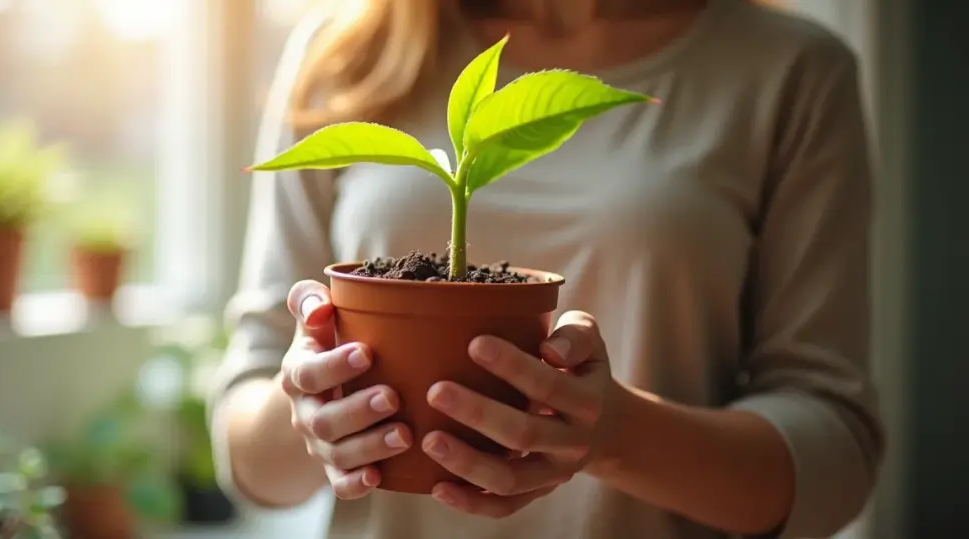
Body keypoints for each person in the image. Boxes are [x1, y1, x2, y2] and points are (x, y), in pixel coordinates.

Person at [207, 0, 886, 538]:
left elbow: (835, 452)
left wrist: (615, 434)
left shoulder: (790, 69)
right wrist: (311, 409)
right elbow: (250, 453)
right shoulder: (350, 53)